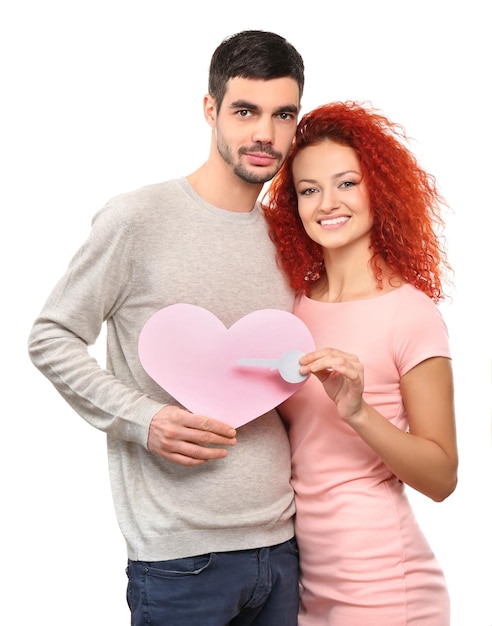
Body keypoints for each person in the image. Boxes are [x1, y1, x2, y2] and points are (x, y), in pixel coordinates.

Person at [28, 30, 304, 626]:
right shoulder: (138, 218)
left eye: (283, 114)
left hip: (284, 549)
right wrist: (144, 419)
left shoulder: (292, 235)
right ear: (211, 110)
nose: (264, 133)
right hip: (180, 562)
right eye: (245, 111)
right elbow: (51, 335)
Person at [264, 101, 458, 625]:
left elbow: (442, 477)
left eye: (347, 183)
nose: (328, 202)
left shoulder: (410, 314)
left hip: (383, 589)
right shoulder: (294, 307)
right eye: (309, 189)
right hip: (304, 584)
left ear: (380, 189)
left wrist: (359, 412)